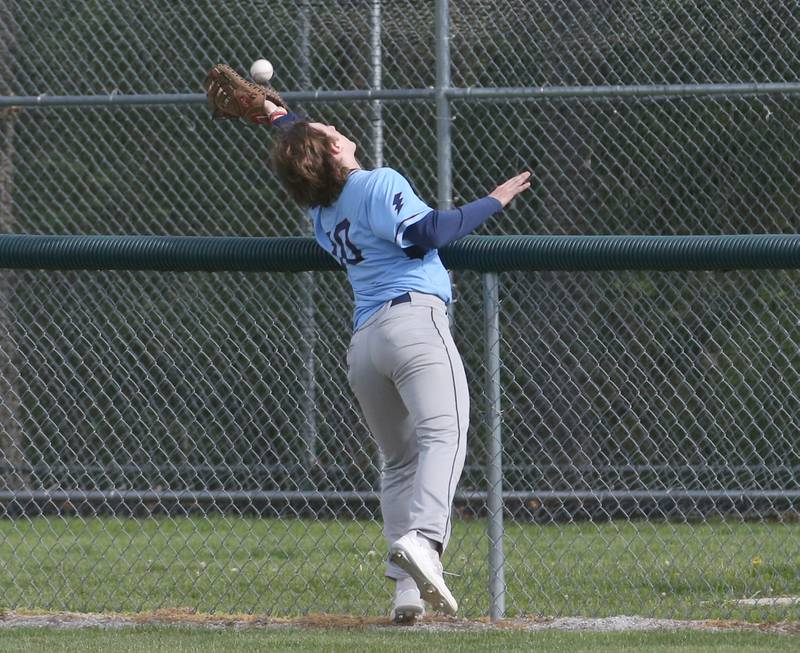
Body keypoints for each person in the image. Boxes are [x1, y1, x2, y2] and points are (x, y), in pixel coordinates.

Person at [264, 100, 530, 622]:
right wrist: (492, 201)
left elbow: (307, 148)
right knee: (444, 434)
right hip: (413, 324)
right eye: (330, 130)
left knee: (400, 459)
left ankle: (406, 593)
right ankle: (426, 540)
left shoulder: (321, 211)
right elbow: (426, 234)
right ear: (336, 151)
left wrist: (275, 118)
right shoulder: (376, 182)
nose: (335, 127)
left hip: (364, 345)